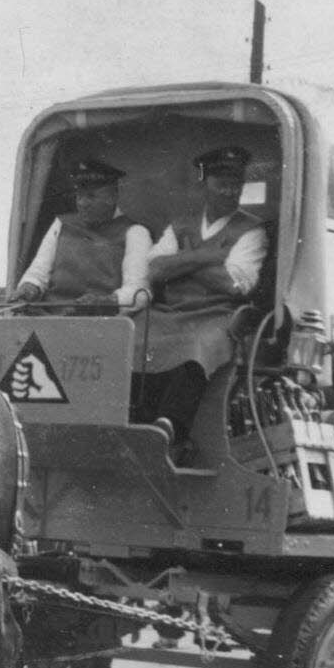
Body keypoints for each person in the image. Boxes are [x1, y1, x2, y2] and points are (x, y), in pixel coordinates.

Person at [132, 145, 272, 458]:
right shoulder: (181, 223)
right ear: (204, 184)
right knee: (136, 334)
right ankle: (133, 420)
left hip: (217, 314)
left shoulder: (252, 231)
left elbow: (235, 284)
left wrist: (181, 263)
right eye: (221, 181)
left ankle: (169, 426)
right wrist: (209, 257)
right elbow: (154, 269)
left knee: (200, 344)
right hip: (170, 313)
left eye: (236, 182)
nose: (230, 189)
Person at [12, 158, 153, 311]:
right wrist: (28, 289)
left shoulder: (136, 233)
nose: (82, 203)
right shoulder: (61, 225)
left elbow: (139, 293)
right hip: (51, 319)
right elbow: (38, 274)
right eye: (79, 196)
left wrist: (106, 303)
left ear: (112, 197)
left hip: (106, 325)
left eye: (91, 196)